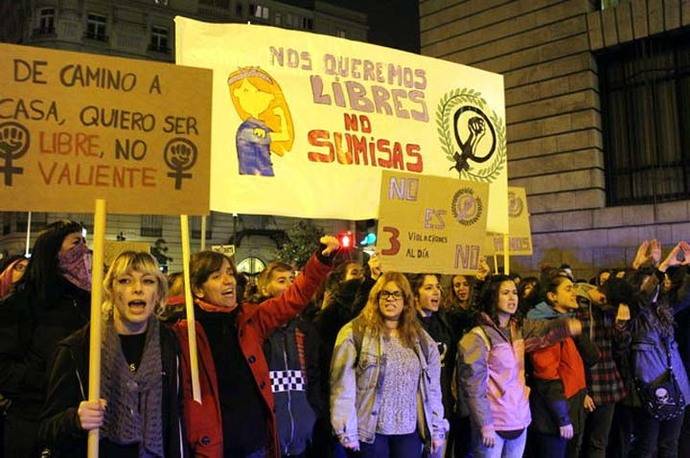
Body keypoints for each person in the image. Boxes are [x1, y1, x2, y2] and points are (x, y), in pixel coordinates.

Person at [188, 236, 338, 458]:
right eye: (216, 276)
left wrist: (319, 261)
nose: (228, 281)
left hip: (253, 441)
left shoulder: (250, 318)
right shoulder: (185, 329)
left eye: (230, 273)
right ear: (198, 289)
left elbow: (293, 299)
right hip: (212, 444)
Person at [38, 251, 188, 457]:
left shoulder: (169, 344)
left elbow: (176, 418)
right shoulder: (79, 348)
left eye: (147, 281)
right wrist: (75, 419)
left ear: (159, 292)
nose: (137, 289)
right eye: (125, 281)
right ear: (110, 289)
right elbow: (46, 428)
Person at [458, 275, 583, 458]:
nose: (512, 298)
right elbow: (473, 387)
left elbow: (544, 332)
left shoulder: (518, 329)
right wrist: (484, 424)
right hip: (493, 423)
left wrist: (565, 326)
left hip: (518, 419)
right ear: (492, 297)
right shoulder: (477, 337)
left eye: (515, 293)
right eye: (505, 293)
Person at [330, 272, 448, 458]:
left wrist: (436, 427)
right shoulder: (354, 333)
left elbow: (432, 389)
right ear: (375, 298)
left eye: (396, 294)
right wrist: (346, 430)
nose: (390, 299)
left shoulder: (422, 339)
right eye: (384, 294)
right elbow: (342, 387)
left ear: (406, 300)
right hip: (370, 433)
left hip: (409, 432)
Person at [0, 220, 92, 457]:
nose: (85, 251)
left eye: (85, 242)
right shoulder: (20, 304)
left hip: (77, 424)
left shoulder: (90, 303)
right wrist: (50, 384)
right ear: (53, 253)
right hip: (31, 426)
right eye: (75, 243)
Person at [525, 269, 599, 458]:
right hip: (553, 418)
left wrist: (582, 392)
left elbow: (591, 357)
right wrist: (562, 418)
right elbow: (547, 378)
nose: (574, 293)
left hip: (572, 405)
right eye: (568, 289)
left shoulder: (566, 322)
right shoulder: (545, 328)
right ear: (552, 296)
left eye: (573, 288)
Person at [255, 261, 322, 457]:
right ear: (264, 288)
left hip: (301, 433)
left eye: (292, 280)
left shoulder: (305, 330)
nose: (289, 286)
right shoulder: (254, 327)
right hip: (266, 437)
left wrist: (313, 413)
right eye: (281, 280)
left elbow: (315, 375)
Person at [227, 66, 294, 176]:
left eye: (259, 91)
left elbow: (285, 136)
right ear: (237, 94)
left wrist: (281, 115)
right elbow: (279, 136)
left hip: (264, 179)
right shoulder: (247, 130)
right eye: (247, 91)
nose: (255, 96)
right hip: (253, 180)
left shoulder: (261, 125)